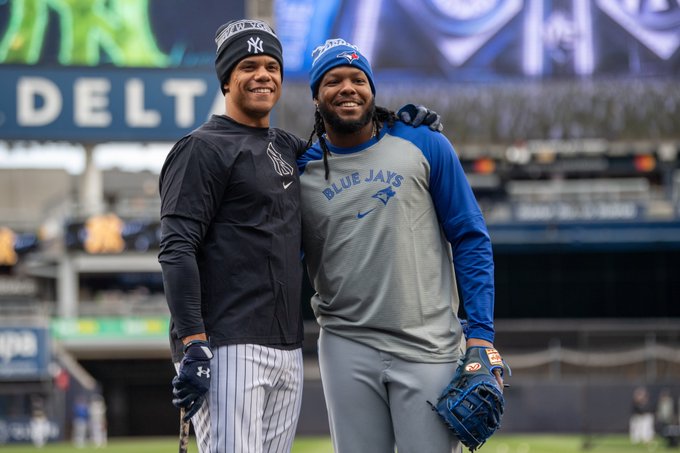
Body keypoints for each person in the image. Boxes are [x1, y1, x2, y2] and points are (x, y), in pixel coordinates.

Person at [159, 19, 443, 453]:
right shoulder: (200, 148)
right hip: (227, 343)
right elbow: (177, 249)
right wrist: (193, 343)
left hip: (287, 346)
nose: (263, 76)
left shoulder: (288, 147)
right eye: (248, 66)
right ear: (226, 79)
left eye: (271, 66)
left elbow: (348, 139)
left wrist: (399, 124)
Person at [298, 38, 505, 453]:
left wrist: (481, 335)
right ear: (317, 97)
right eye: (333, 80)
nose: (348, 88)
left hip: (427, 344)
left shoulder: (424, 143)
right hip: (346, 343)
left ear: (373, 90)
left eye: (358, 78)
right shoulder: (299, 167)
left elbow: (470, 237)